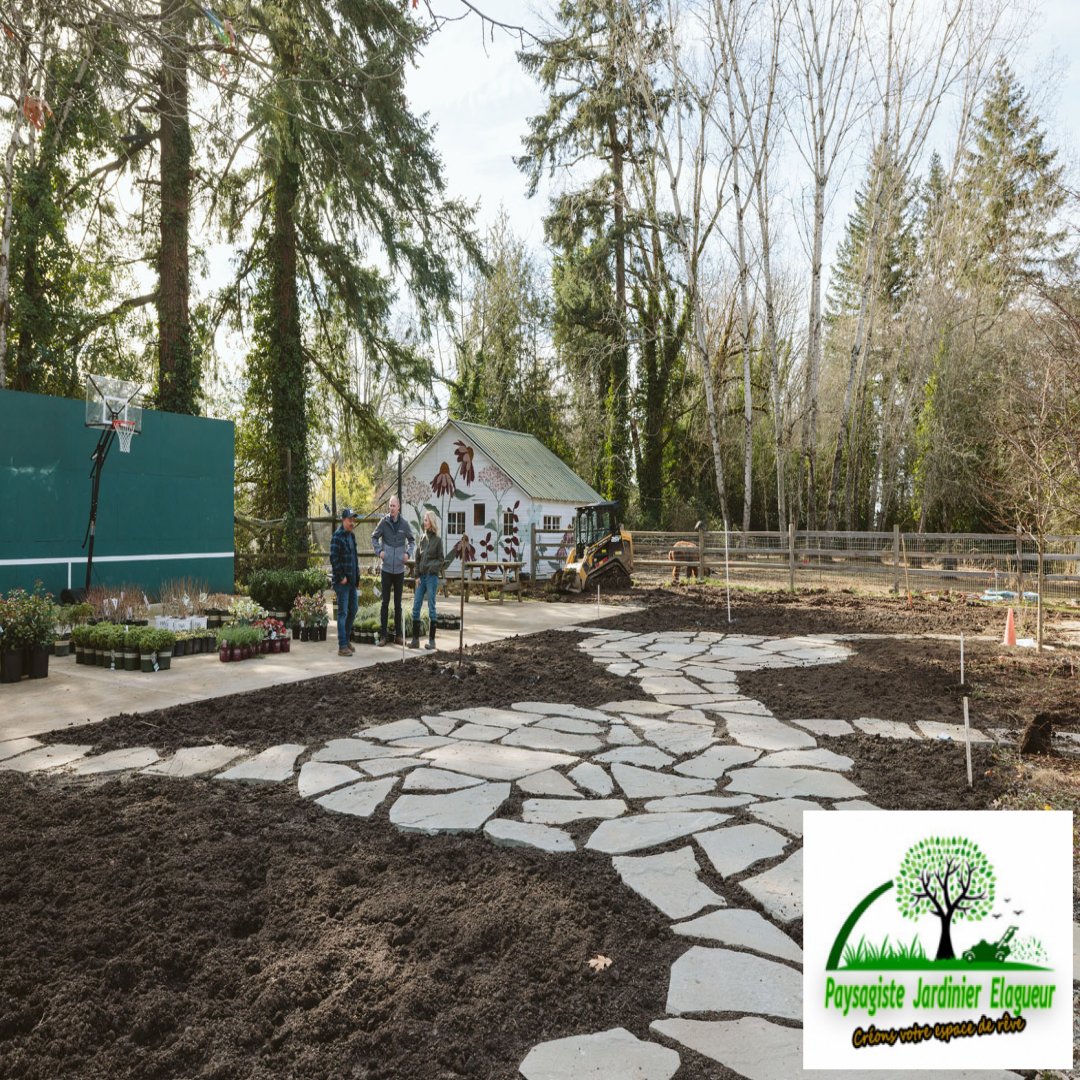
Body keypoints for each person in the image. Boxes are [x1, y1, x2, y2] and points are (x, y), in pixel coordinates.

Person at [372, 495, 414, 646]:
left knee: (398, 604)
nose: (391, 508)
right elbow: (374, 538)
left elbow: (412, 541)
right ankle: (383, 636)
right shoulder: (384, 522)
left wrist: (408, 553)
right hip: (386, 570)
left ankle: (398, 635)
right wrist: (379, 552)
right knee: (385, 603)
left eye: (394, 505)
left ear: (399, 507)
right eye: (390, 506)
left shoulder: (404, 524)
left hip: (399, 571)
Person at [409, 510, 443, 651]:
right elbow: (417, 559)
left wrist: (430, 568)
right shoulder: (422, 538)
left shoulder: (437, 540)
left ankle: (432, 641)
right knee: (416, 607)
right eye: (424, 519)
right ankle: (415, 640)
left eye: (426, 520)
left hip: (431, 578)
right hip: (421, 578)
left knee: (431, 607)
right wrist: (416, 576)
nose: (424, 522)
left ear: (432, 522)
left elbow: (441, 560)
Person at [330, 507, 360, 657]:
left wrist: (357, 577)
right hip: (342, 583)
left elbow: (355, 559)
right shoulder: (337, 536)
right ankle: (342, 646)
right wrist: (341, 576)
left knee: (353, 609)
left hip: (352, 582)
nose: (352, 522)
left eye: (353, 519)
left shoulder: (351, 536)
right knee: (342, 613)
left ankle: (346, 639)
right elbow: (333, 558)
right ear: (343, 520)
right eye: (350, 519)